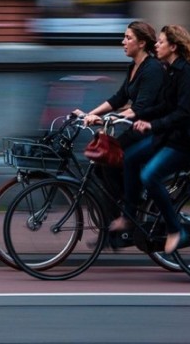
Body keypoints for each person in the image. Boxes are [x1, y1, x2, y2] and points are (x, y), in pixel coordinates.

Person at [110, 25, 190, 254]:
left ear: (174, 47)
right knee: (129, 157)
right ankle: (129, 216)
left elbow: (183, 113)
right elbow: (164, 105)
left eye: (160, 42)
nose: (156, 45)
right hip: (172, 135)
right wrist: (140, 115)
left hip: (189, 140)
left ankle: (176, 230)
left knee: (150, 175)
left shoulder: (187, 73)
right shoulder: (171, 70)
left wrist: (152, 124)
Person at [73, 21, 165, 239]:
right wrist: (90, 114)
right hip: (135, 128)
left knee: (112, 159)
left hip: (151, 131)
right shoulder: (133, 67)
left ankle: (131, 209)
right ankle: (120, 219)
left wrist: (106, 119)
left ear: (142, 43)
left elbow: (141, 108)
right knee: (102, 165)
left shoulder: (152, 69)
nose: (123, 42)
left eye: (128, 38)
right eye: (124, 37)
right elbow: (119, 98)